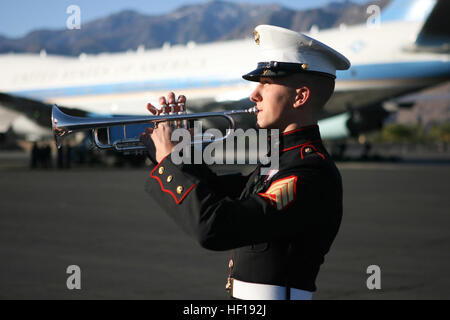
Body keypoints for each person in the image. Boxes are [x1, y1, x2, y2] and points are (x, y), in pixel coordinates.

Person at [140, 25, 350, 300]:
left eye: (267, 84)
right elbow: (219, 194)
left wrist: (168, 160)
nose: (254, 95)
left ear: (300, 96)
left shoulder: (309, 170)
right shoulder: (281, 159)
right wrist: (180, 154)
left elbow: (215, 227)